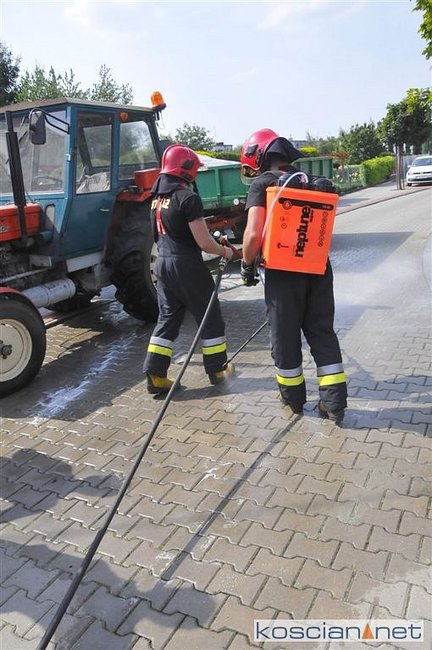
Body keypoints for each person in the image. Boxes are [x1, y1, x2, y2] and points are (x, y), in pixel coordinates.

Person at [240, 128, 347, 423]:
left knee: (285, 338)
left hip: (283, 273)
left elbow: (252, 235)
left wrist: (247, 266)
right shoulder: (309, 181)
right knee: (322, 333)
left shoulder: (263, 184)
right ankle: (334, 403)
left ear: (259, 156)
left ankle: (293, 400)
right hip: (318, 267)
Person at [143, 144, 234, 395]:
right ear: (186, 169)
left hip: (162, 264)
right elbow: (204, 242)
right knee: (209, 315)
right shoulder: (188, 198)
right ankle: (218, 370)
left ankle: (155, 374)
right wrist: (225, 251)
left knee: (168, 317)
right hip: (186, 265)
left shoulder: (156, 200)